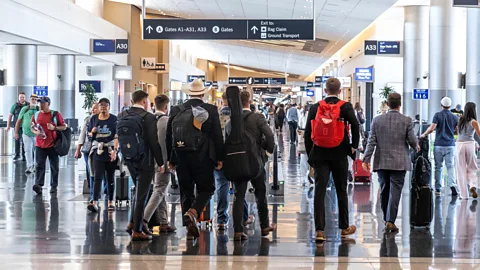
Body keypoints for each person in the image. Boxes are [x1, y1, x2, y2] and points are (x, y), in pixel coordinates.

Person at [166, 79, 224, 240]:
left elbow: (169, 135)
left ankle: (190, 230)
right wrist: (220, 158)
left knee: (186, 191)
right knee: (207, 189)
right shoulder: (211, 110)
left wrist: (171, 157)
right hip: (203, 157)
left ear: (189, 93)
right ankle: (193, 212)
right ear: (203, 94)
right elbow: (217, 136)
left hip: (181, 156)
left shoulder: (176, 109)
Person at [304, 77, 359, 242]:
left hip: (320, 154)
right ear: (340, 91)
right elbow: (356, 125)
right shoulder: (345, 107)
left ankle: (320, 230)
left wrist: (310, 155)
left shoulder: (316, 107)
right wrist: (353, 146)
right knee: (341, 189)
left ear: (325, 91)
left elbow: (308, 133)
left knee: (319, 191)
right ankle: (344, 227)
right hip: (339, 154)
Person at [362, 93, 418, 232]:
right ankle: (390, 220)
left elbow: (371, 142)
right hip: (399, 163)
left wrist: (366, 159)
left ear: (387, 103)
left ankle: (387, 219)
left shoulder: (377, 120)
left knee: (384, 189)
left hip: (382, 161)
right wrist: (417, 146)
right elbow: (412, 141)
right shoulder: (407, 121)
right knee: (395, 191)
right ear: (400, 104)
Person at [226, 90, 276, 241]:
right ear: (250, 101)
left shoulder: (230, 122)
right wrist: (267, 153)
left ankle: (237, 231)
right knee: (260, 193)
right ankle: (264, 226)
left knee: (238, 196)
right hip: (256, 161)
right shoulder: (258, 117)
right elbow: (270, 136)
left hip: (237, 163)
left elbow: (226, 142)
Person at [119, 91, 164, 241]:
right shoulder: (148, 117)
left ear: (132, 100)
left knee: (138, 191)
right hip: (146, 160)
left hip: (129, 158)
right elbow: (153, 141)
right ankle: (137, 230)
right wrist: (161, 161)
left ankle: (133, 222)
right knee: (141, 195)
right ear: (144, 101)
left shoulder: (123, 114)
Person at [215, 93, 252, 231]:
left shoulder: (215, 117)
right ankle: (244, 216)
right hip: (236, 157)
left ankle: (221, 219)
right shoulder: (238, 118)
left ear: (222, 101)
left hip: (219, 158)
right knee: (239, 188)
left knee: (221, 187)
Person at [142, 95, 176, 233]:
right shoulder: (168, 122)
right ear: (166, 107)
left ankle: (163, 222)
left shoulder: (147, 120)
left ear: (153, 105)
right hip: (164, 161)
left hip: (148, 161)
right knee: (160, 189)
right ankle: (143, 220)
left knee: (159, 189)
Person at [421, 97, 459, 196]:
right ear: (450, 106)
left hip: (438, 145)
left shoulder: (437, 115)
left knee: (438, 167)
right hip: (450, 145)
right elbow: (458, 130)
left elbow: (432, 128)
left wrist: (424, 134)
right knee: (450, 166)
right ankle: (453, 185)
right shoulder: (455, 117)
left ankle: (438, 188)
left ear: (441, 105)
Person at [86, 98, 118, 213]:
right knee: (97, 177)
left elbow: (116, 136)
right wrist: (93, 132)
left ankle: (110, 201)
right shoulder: (94, 119)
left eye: (105, 105)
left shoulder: (114, 119)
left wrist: (115, 151)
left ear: (109, 106)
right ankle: (94, 201)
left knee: (110, 177)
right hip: (97, 150)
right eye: (101, 106)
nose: (103, 107)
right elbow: (89, 135)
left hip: (109, 150)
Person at [31, 97, 67, 195]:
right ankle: (39, 185)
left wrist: (54, 127)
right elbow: (32, 127)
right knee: (39, 165)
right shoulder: (36, 114)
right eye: (40, 103)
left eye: (43, 103)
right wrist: (36, 132)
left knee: (54, 166)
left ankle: (53, 186)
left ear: (48, 104)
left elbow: (64, 126)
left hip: (53, 145)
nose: (41, 105)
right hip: (39, 144)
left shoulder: (55, 114)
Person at [454, 102, 480, 200]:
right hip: (470, 145)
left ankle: (464, 195)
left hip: (459, 145)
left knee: (461, 170)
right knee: (472, 167)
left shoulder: (460, 119)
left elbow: (457, 131)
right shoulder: (474, 122)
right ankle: (473, 185)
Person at [74, 103, 99, 202]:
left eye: (95, 108)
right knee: (91, 171)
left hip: (99, 148)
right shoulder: (88, 120)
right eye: (92, 108)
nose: (93, 110)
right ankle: (93, 194)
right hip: (88, 149)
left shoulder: (105, 120)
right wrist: (78, 149)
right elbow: (82, 135)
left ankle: (101, 192)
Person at [15, 94, 39, 174]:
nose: (34, 100)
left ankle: (36, 166)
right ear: (30, 100)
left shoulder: (39, 110)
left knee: (37, 151)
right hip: (26, 133)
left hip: (37, 134)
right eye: (32, 99)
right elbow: (18, 121)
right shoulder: (24, 109)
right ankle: (29, 166)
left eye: (35, 99)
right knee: (27, 150)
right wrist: (16, 132)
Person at [7, 92, 29, 161]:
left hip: (26, 127)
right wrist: (8, 126)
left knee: (25, 141)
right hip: (17, 127)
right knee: (17, 140)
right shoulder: (15, 106)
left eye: (23, 97)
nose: (22, 98)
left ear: (25, 98)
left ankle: (24, 155)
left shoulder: (29, 106)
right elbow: (10, 116)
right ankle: (17, 155)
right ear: (19, 98)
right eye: (21, 97)